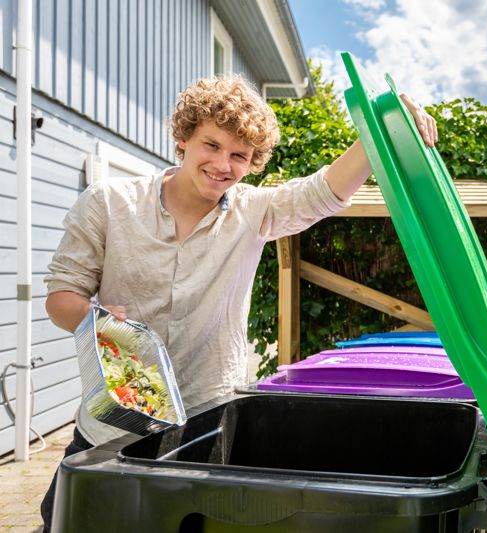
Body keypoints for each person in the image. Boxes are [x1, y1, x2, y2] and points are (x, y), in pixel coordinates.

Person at [39, 74, 437, 531]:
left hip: (202, 424)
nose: (222, 164)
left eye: (239, 156)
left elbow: (324, 190)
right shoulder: (108, 203)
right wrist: (98, 321)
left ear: (252, 163)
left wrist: (380, 126)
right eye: (212, 145)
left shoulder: (253, 211)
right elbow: (61, 296)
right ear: (183, 138)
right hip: (110, 427)